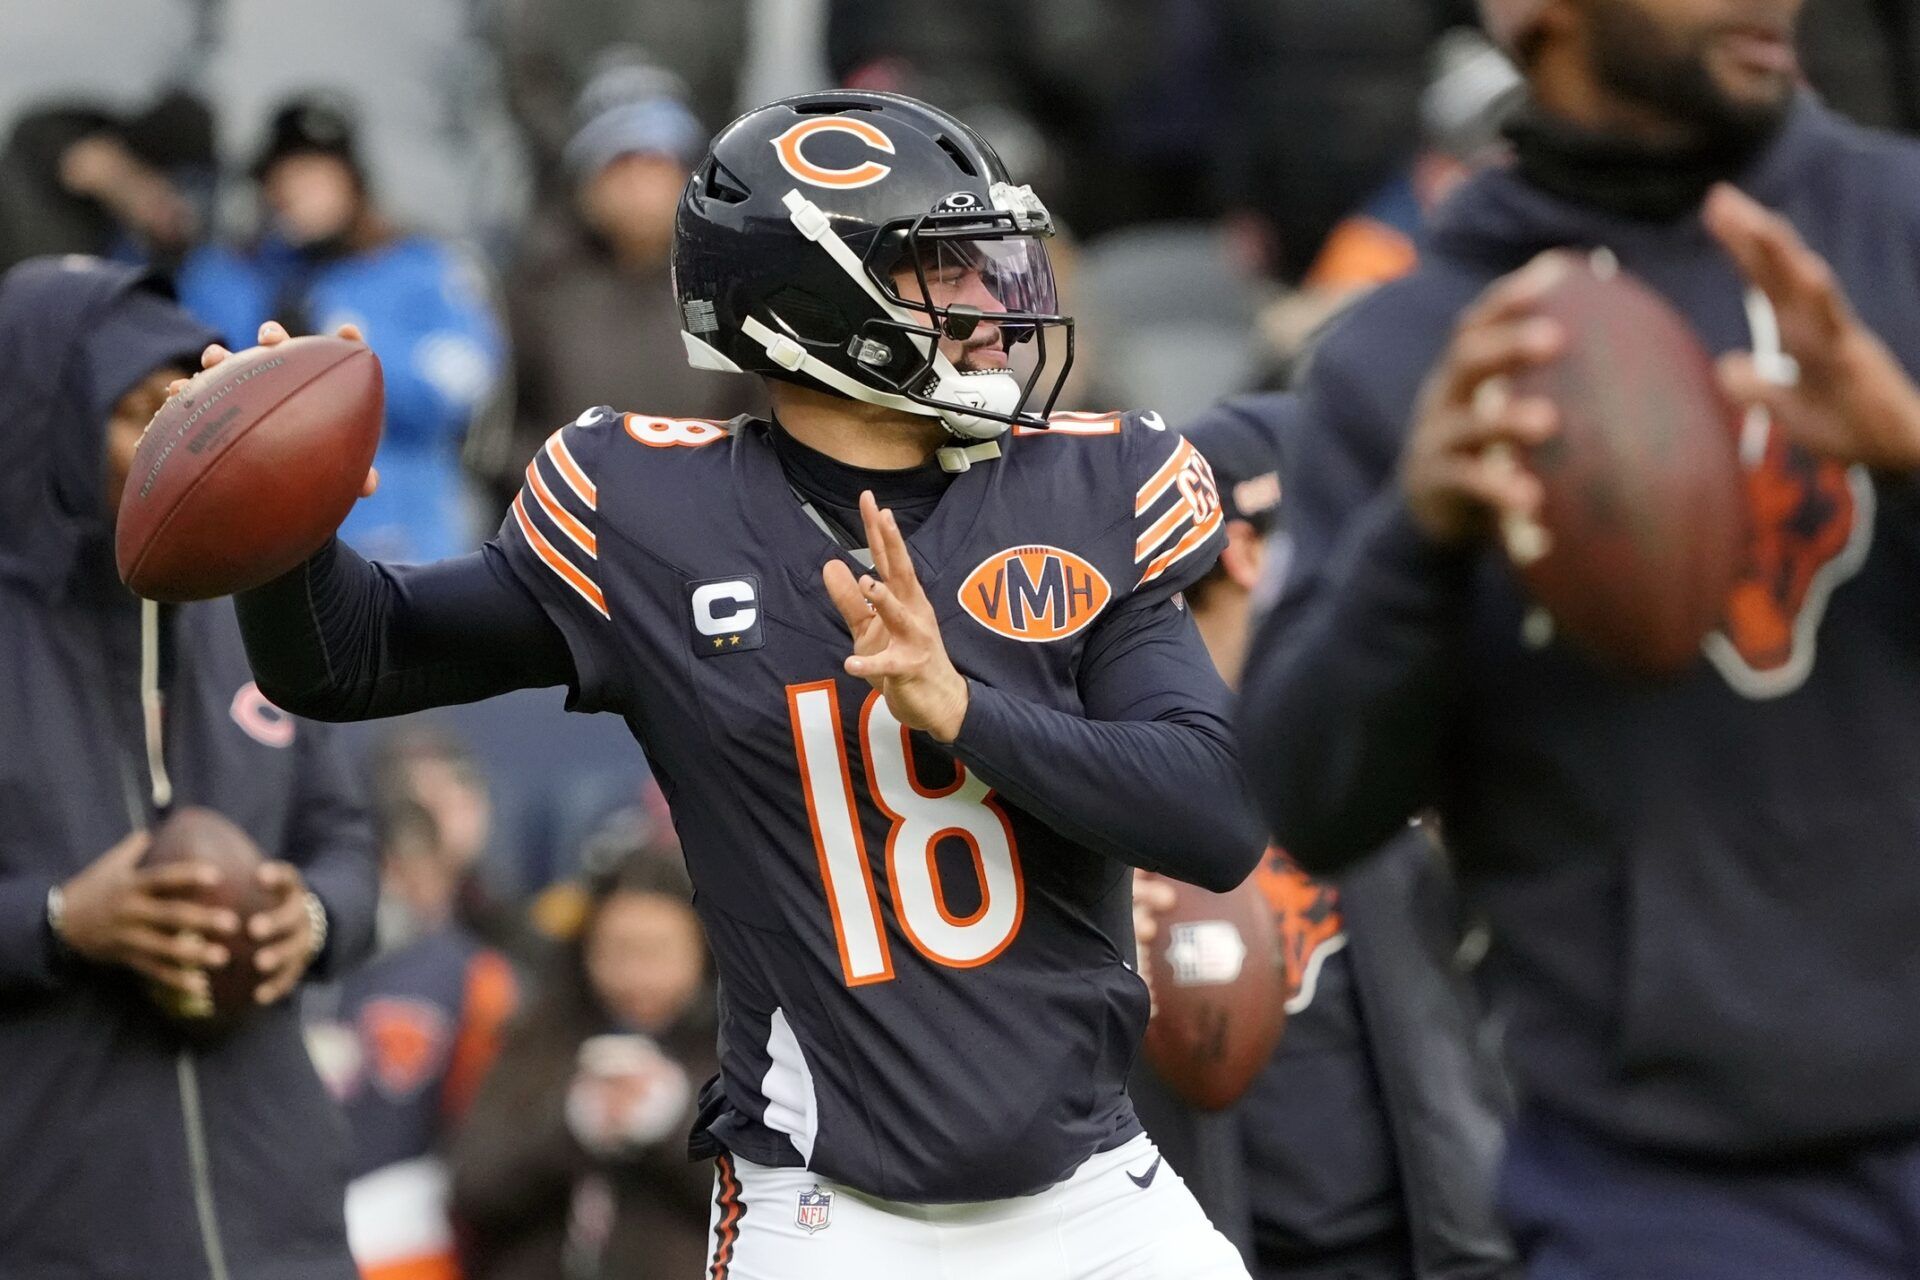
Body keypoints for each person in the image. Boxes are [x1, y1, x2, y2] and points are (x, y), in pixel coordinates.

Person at [207, 90, 1264, 1278]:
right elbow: (348, 658)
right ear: (812, 304)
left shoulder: (1088, 484)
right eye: (941, 269)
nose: (989, 303)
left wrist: (965, 712)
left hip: (1095, 1199)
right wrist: (284, 518)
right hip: (829, 1216)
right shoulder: (650, 509)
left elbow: (1216, 816)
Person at [1237, 0, 1920, 1275]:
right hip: (1673, 1195)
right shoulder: (1414, 354)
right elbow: (1303, 798)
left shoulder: (1904, 232)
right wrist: (1416, 539)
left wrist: (1907, 448)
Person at [0, 255, 377, 1279]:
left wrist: (304, 918)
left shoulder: (252, 608)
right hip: (57, 1217)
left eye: (185, 409)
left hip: (278, 1212)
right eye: (134, 412)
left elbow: (346, 843)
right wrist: (58, 920)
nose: (168, 444)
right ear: (41, 428)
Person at [1133, 404, 1515, 1280]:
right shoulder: (1117, 771)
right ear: (1248, 551)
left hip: (1432, 1243)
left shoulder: (1383, 730)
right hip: (1225, 1247)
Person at [177, 95, 506, 563]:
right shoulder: (224, 276)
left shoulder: (421, 266)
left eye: (319, 174)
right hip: (262, 548)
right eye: (288, 174)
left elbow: (462, 387)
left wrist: (341, 348)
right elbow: (191, 405)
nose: (302, 190)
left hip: (408, 549)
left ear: (354, 183)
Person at [479, 56, 758, 513]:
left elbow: (768, 431)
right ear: (584, 182)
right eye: (620, 164)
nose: (639, 185)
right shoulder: (532, 292)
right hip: (563, 537)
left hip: (710, 538)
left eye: (657, 163)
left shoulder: (736, 291)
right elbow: (495, 438)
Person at [451, 838, 718, 1280]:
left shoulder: (739, 1049)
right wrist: (572, 1124)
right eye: (618, 950)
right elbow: (473, 1185)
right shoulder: (539, 1036)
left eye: (657, 951)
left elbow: (779, 1199)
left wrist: (675, 1122)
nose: (636, 975)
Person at [308, 797, 517, 1280]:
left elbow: (488, 1131)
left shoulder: (473, 976)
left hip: (411, 1227)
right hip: (290, 1220)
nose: (409, 885)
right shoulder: (293, 961)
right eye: (393, 867)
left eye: (422, 868)